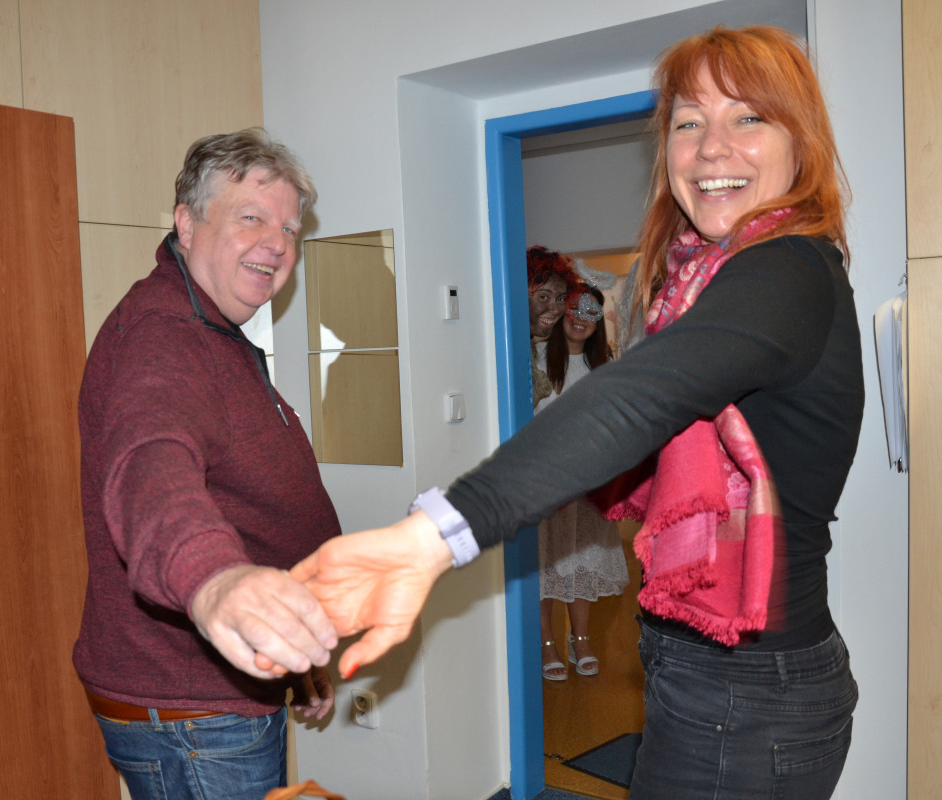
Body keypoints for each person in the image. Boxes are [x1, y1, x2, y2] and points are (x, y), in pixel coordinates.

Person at [293, 25, 862, 800]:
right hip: (719, 677)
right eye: (689, 122)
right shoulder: (709, 282)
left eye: (748, 117)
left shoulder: (788, 269)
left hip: (746, 695)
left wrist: (431, 537)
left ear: (802, 142)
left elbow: (641, 396)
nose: (711, 147)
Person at [74, 127, 340, 800]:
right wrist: (216, 582)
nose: (277, 243)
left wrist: (286, 652)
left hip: (224, 687)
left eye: (289, 229)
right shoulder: (165, 337)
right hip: (193, 711)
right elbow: (151, 467)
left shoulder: (213, 330)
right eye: (251, 218)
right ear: (187, 224)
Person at [535, 282, 629, 681]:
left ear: (599, 322)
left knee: (581, 559)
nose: (579, 319)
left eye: (591, 313)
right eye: (573, 309)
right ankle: (546, 643)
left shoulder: (603, 366)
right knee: (544, 561)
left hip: (589, 483)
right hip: (543, 481)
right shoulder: (536, 358)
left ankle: (581, 639)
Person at [525, 245, 572, 408]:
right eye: (544, 297)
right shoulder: (499, 347)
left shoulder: (525, 345)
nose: (555, 309)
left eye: (561, 299)